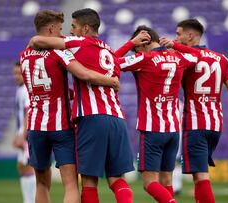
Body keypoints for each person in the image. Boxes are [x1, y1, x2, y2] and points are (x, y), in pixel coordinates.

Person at [28, 8, 142, 203]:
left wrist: (50, 39)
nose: (70, 31)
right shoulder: (108, 50)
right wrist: (131, 44)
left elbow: (36, 41)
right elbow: (116, 59)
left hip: (92, 119)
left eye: (73, 27)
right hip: (117, 118)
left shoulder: (78, 43)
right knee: (117, 179)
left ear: (86, 28)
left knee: (88, 182)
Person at [159, 19, 228, 203]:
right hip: (215, 126)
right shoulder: (222, 59)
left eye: (178, 33)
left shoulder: (187, 58)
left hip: (195, 125)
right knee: (199, 178)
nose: (176, 37)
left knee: (200, 177)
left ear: (190, 35)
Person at [116, 25, 197, 203]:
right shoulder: (178, 57)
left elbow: (110, 61)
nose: (135, 51)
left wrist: (130, 44)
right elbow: (195, 57)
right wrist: (175, 45)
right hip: (173, 129)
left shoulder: (144, 59)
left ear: (142, 44)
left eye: (137, 47)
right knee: (166, 179)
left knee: (148, 183)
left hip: (152, 129)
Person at [12, 62, 36, 203]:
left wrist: (23, 135)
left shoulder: (26, 89)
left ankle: (31, 201)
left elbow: (29, 111)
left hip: (27, 136)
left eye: (18, 73)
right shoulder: (20, 89)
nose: (16, 76)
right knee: (22, 168)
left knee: (28, 168)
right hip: (23, 133)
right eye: (14, 73)